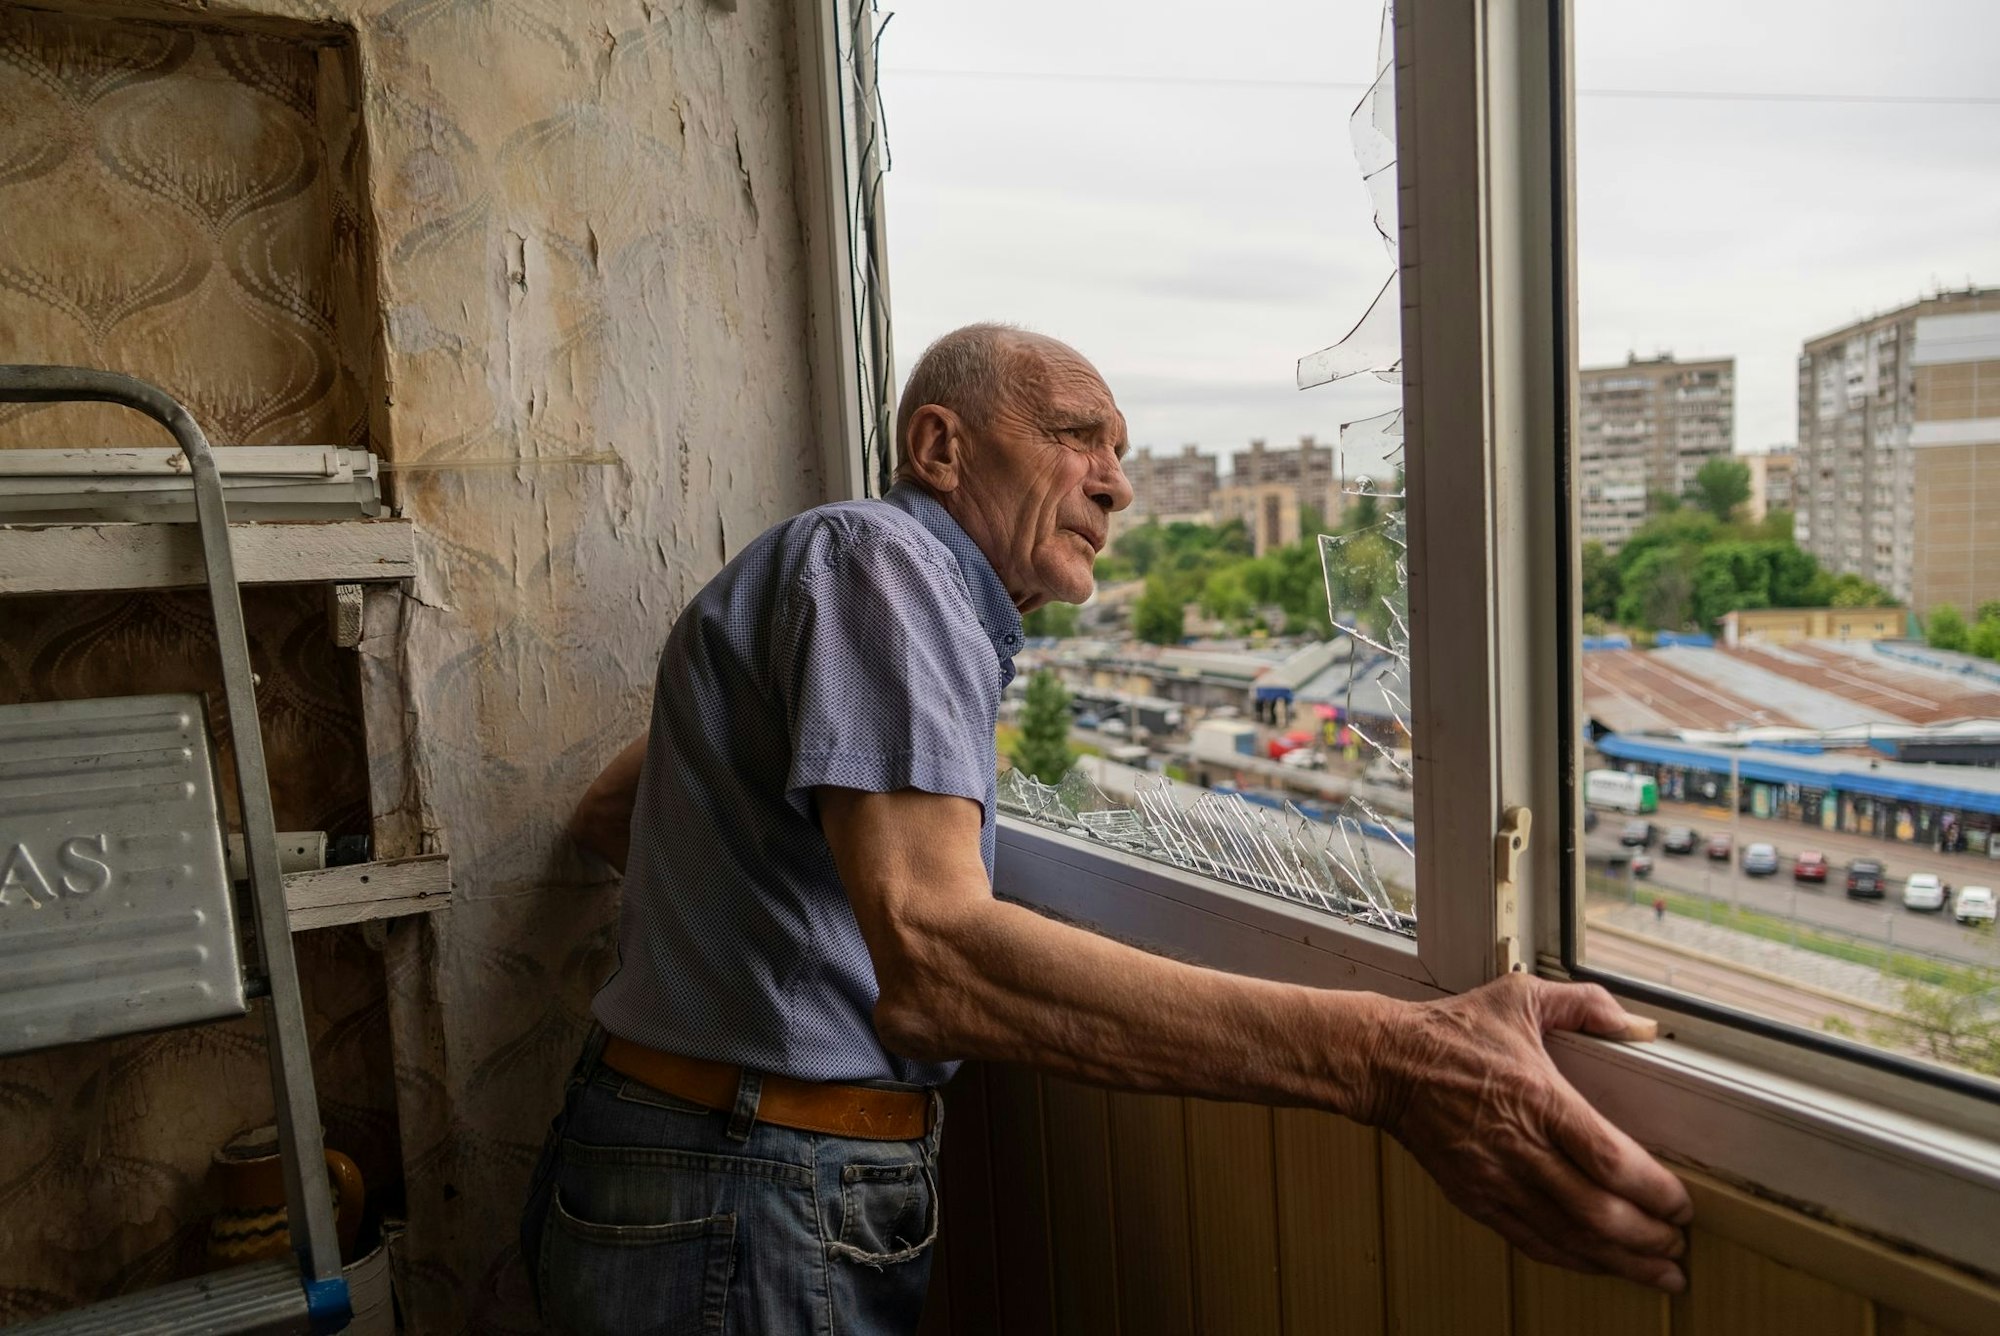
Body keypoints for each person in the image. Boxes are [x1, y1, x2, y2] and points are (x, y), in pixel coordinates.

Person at [520, 324, 1692, 1335]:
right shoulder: (886, 562)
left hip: (679, 1162)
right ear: (939, 447)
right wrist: (1393, 1061)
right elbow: (934, 962)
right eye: (1076, 437)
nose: (1117, 486)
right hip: (746, 1184)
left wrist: (761, 938)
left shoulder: (851, 582)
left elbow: (617, 810)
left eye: (1120, 452)